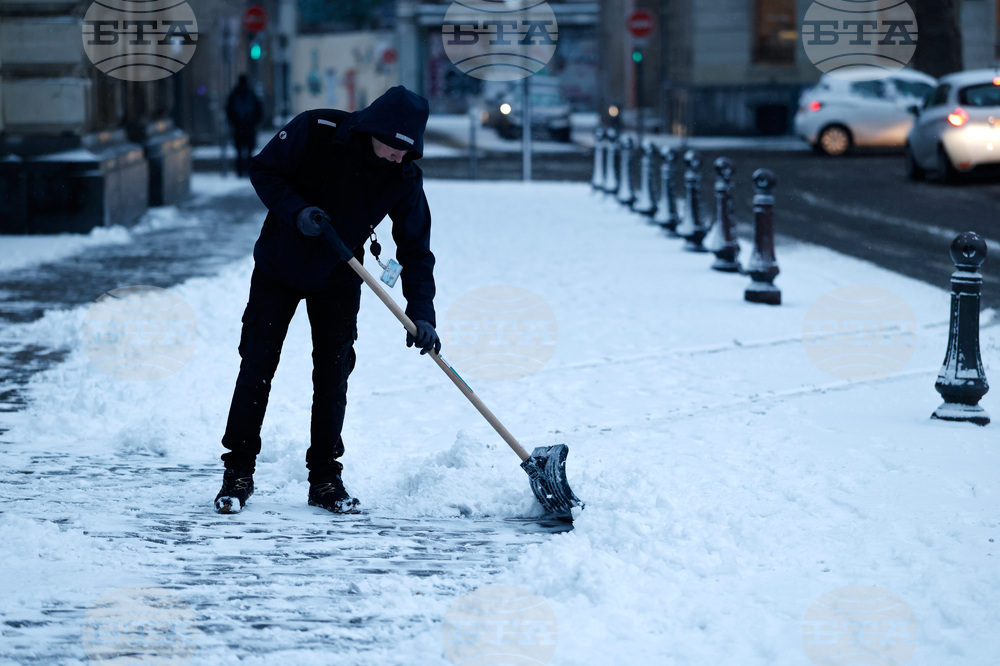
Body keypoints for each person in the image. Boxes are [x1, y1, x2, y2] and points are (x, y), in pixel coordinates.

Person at [214, 85, 440, 515]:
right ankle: (238, 471)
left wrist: (422, 313)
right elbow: (264, 169)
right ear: (376, 129)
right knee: (257, 365)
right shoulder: (317, 129)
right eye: (394, 148)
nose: (399, 157)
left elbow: (415, 249)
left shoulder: (404, 175)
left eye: (407, 152)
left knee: (333, 375)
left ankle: (324, 478)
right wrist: (297, 211)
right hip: (279, 267)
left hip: (339, 275)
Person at [226, 74, 263, 177]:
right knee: (250, 151)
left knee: (239, 151)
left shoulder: (234, 94)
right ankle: (248, 170)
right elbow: (259, 110)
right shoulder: (251, 93)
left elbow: (229, 110)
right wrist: (254, 121)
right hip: (249, 126)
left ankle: (240, 171)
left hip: (238, 127)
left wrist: (234, 121)